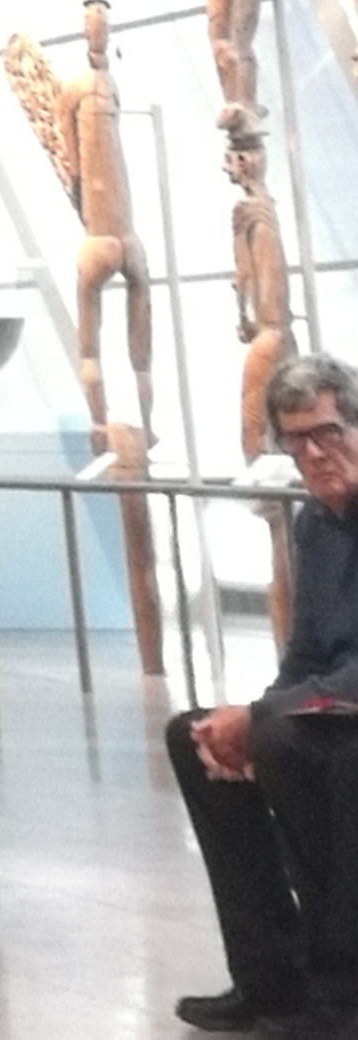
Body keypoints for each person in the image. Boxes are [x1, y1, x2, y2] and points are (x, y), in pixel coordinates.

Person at [174, 350, 358, 1028]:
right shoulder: (314, 525)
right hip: (332, 709)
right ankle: (269, 976)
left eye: (327, 432)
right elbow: (306, 652)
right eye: (296, 440)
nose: (313, 453)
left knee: (292, 744)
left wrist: (261, 719)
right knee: (193, 738)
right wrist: (246, 724)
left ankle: (341, 990)